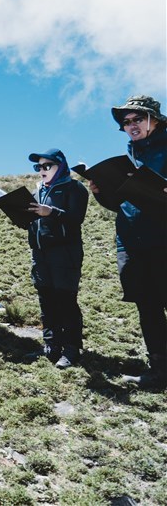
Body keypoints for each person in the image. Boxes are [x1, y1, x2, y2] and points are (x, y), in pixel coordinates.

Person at [91, 95, 167, 388]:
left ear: (155, 120)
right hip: (132, 242)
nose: (131, 125)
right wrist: (101, 193)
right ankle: (159, 371)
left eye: (138, 119)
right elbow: (123, 204)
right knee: (147, 306)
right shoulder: (129, 156)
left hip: (162, 239)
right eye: (126, 122)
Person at [26, 149, 88, 368]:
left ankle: (71, 350)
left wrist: (51, 212)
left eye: (46, 166)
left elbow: (76, 219)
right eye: (38, 167)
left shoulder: (75, 188)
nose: (41, 170)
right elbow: (34, 221)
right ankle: (51, 345)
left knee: (66, 301)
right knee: (46, 299)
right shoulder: (37, 191)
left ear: (60, 166)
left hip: (65, 253)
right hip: (40, 254)